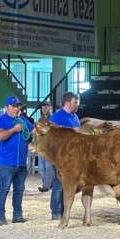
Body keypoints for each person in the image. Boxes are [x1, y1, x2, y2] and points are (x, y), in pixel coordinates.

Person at [0, 95, 35, 226]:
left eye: (17, 106)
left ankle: (17, 215)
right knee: (4, 188)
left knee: (19, 189)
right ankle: (0, 216)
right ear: (6, 107)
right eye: (13, 106)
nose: (16, 109)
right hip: (6, 162)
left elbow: (35, 131)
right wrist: (14, 129)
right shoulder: (0, 120)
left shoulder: (23, 121)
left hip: (21, 162)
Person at [49, 92, 81, 220]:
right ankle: (55, 212)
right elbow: (52, 137)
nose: (77, 105)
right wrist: (72, 131)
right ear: (67, 103)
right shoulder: (56, 117)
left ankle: (64, 211)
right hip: (60, 156)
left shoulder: (75, 117)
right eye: (75, 102)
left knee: (68, 184)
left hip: (73, 156)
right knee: (59, 183)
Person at [36, 101, 54, 193]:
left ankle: (46, 185)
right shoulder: (40, 120)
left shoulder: (53, 119)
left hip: (49, 146)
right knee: (42, 166)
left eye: (46, 107)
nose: (44, 109)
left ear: (50, 108)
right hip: (41, 145)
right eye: (43, 108)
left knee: (48, 166)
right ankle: (45, 184)